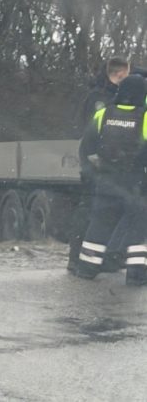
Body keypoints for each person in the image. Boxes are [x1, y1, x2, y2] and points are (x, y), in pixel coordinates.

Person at [76, 75, 147, 284]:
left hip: (106, 180)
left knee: (100, 222)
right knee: (137, 225)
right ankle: (136, 274)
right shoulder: (144, 117)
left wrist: (93, 171)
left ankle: (86, 268)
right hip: (135, 182)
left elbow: (86, 148)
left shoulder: (103, 114)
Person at [68, 56, 132, 271]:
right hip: (96, 163)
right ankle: (77, 258)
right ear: (120, 74)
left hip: (111, 165)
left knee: (107, 212)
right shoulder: (98, 98)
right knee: (89, 211)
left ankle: (102, 259)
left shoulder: (112, 95)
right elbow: (90, 134)